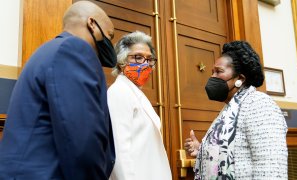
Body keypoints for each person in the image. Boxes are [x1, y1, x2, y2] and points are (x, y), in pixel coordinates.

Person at [0, 1, 116, 179]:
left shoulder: (48, 51)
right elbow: (82, 142)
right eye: (109, 35)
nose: (110, 44)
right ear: (92, 24)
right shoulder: (74, 50)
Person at [184, 41, 288, 179]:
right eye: (212, 72)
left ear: (240, 78)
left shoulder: (259, 103)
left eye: (218, 71)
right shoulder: (229, 110)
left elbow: (271, 167)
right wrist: (202, 149)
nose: (212, 77)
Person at [107, 31, 172, 180]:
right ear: (121, 61)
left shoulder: (135, 92)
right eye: (138, 57)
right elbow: (120, 151)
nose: (145, 63)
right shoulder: (119, 91)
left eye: (149, 59)